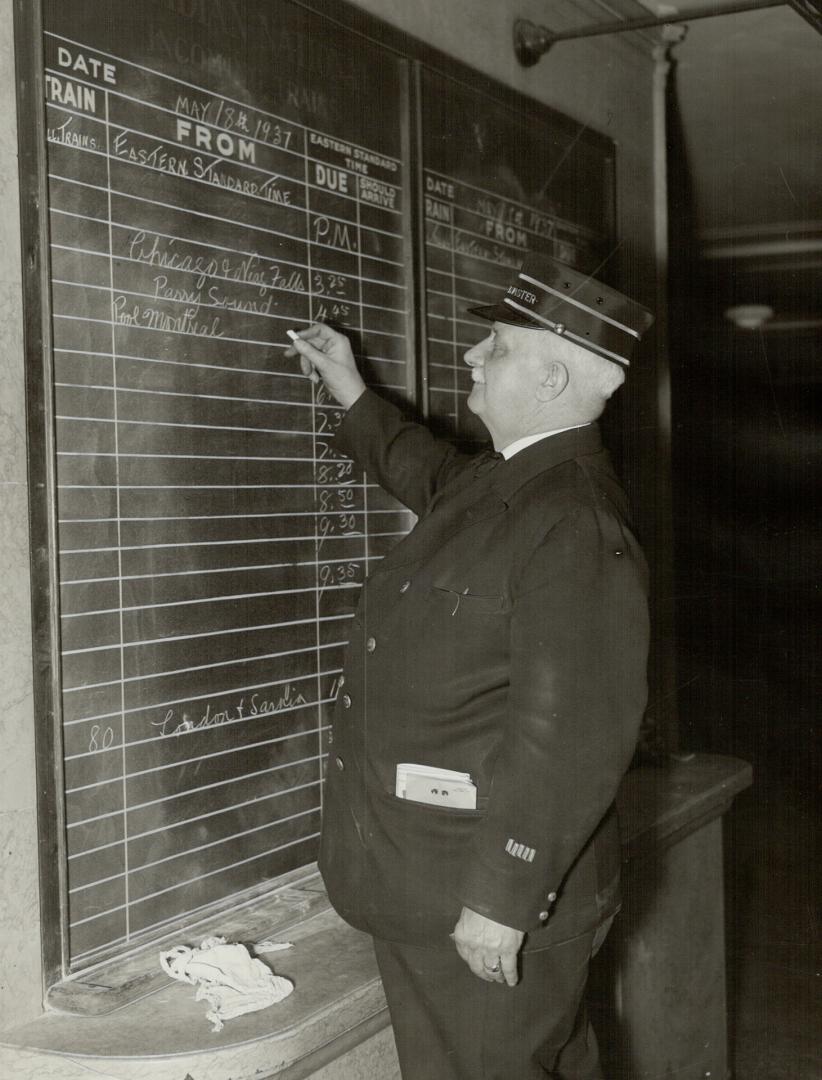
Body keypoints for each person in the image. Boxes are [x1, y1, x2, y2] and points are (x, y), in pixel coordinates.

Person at [285, 252, 654, 1079]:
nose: (472, 356)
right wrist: (350, 388)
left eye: (498, 344)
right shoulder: (507, 483)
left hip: (481, 901)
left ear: (553, 377)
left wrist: (501, 900)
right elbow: (423, 465)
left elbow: (572, 734)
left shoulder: (573, 522)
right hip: (434, 881)